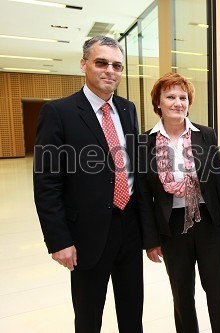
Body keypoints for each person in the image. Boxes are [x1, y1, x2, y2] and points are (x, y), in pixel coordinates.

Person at [33, 36, 143, 332]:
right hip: (88, 233)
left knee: (133, 309)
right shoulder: (59, 113)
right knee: (88, 314)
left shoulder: (127, 108)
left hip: (130, 226)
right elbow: (46, 182)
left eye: (117, 65)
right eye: (101, 63)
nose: (110, 70)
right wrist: (59, 240)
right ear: (84, 65)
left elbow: (134, 166)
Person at [138, 72, 220, 333]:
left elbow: (219, 182)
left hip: (209, 222)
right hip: (171, 229)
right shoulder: (144, 142)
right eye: (170, 96)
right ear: (158, 102)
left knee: (218, 291)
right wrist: (150, 240)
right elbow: (144, 198)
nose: (177, 102)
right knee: (182, 294)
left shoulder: (205, 134)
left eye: (183, 97)